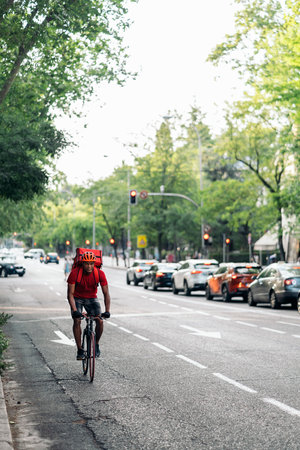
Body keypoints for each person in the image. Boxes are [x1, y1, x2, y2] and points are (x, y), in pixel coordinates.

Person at [67, 251, 111, 360]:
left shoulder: (99, 273)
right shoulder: (75, 273)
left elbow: (106, 293)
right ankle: (80, 349)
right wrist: (74, 310)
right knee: (77, 320)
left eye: (91, 263)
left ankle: (96, 344)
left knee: (100, 320)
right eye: (87, 263)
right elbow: (70, 295)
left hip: (92, 298)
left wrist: (107, 310)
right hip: (77, 298)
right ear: (82, 264)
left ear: (94, 263)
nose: (89, 266)